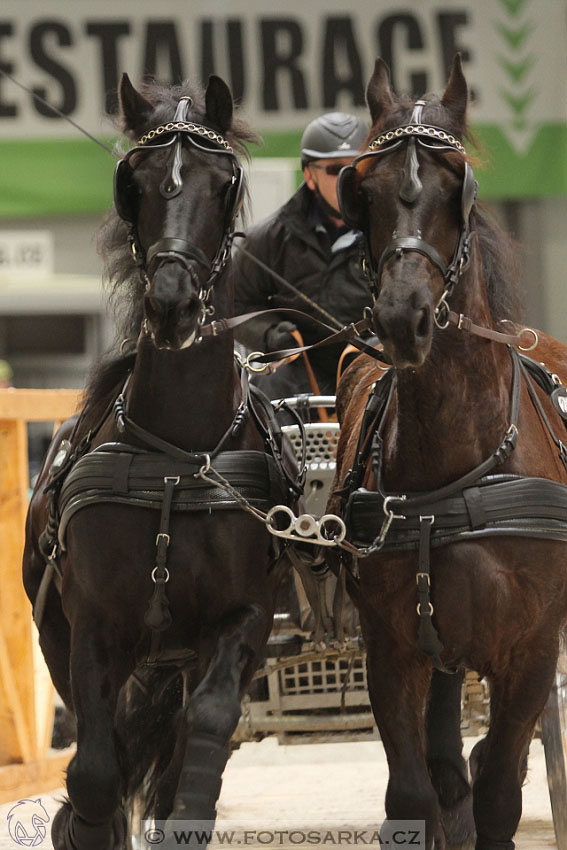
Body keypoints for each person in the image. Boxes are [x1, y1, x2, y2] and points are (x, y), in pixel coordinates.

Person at [233, 112, 373, 399]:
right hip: (298, 376)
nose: (348, 180)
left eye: (356, 169)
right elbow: (234, 304)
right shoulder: (268, 239)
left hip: (371, 370)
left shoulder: (391, 236)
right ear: (309, 175)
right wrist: (271, 334)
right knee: (265, 387)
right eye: (335, 169)